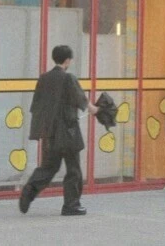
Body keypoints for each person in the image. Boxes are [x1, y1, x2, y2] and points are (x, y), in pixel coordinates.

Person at [19, 45, 98, 216]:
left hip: (50, 132)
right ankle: (71, 205)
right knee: (73, 169)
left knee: (49, 167)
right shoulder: (68, 78)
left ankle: (29, 190)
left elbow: (37, 105)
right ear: (68, 60)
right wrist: (95, 109)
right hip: (68, 131)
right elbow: (81, 100)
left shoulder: (44, 78)